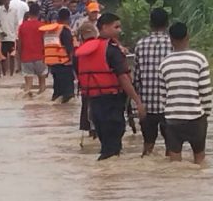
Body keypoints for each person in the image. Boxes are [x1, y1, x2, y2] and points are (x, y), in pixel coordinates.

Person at [74, 13, 147, 160]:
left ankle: (105, 178)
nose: (119, 30)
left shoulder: (83, 52)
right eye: (116, 27)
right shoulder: (112, 50)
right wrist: (137, 101)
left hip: (94, 103)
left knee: (106, 146)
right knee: (113, 146)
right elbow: (124, 78)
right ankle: (111, 177)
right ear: (104, 27)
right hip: (112, 103)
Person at [158, 22, 210, 164]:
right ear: (188, 36)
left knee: (175, 163)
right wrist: (206, 112)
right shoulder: (199, 59)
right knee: (200, 161)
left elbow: (163, 96)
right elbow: (205, 91)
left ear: (170, 39)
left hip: (173, 118)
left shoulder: (164, 63)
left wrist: (167, 111)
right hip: (196, 117)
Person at [133, 8, 172, 156]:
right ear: (167, 23)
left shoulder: (140, 45)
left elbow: (136, 77)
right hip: (169, 105)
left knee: (148, 145)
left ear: (150, 23)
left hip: (146, 105)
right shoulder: (173, 44)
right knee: (172, 148)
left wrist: (136, 103)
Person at [41, 8, 75, 102]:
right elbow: (69, 47)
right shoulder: (64, 30)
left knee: (57, 91)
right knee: (68, 94)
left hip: (53, 63)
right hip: (64, 63)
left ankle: (57, 111)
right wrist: (72, 61)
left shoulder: (50, 30)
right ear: (68, 18)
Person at [17, 3, 48, 95]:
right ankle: (40, 100)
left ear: (29, 13)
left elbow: (19, 43)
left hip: (26, 57)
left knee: (28, 85)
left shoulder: (22, 26)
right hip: (40, 57)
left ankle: (27, 100)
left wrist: (19, 56)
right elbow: (45, 42)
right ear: (39, 13)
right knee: (42, 84)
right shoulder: (42, 26)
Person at [0, 0, 20, 77]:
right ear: (3, 1)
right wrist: (0, 31)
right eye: (5, 0)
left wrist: (16, 36)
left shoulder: (14, 11)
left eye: (8, 0)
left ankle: (11, 74)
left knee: (12, 56)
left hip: (12, 37)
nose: (7, 2)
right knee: (3, 57)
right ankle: (4, 74)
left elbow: (16, 24)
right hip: (2, 38)